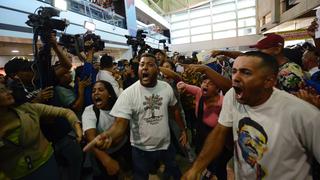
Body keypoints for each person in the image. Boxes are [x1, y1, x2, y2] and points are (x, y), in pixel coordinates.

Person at [182, 51, 320, 180]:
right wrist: (196, 168)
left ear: (269, 81)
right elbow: (219, 132)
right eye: (234, 71)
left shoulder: (304, 114)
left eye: (246, 72)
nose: (235, 78)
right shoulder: (232, 96)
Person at [84, 53, 188, 180]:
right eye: (142, 64)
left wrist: (183, 130)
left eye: (150, 65)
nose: (144, 67)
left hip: (165, 145)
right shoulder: (128, 94)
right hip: (140, 150)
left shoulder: (166, 88)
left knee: (174, 171)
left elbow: (175, 110)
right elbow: (120, 124)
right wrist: (109, 135)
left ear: (157, 69)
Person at [0, 83, 82, 180]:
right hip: (15, 174)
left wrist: (77, 127)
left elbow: (66, 112)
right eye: (2, 91)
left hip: (45, 162)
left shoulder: (27, 109)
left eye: (6, 89)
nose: (9, 92)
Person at [82, 80, 131, 180]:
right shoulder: (89, 111)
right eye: (93, 91)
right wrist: (106, 160)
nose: (96, 93)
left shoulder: (119, 106)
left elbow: (122, 124)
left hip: (125, 149)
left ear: (109, 94)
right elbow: (91, 137)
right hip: (106, 153)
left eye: (100, 90)